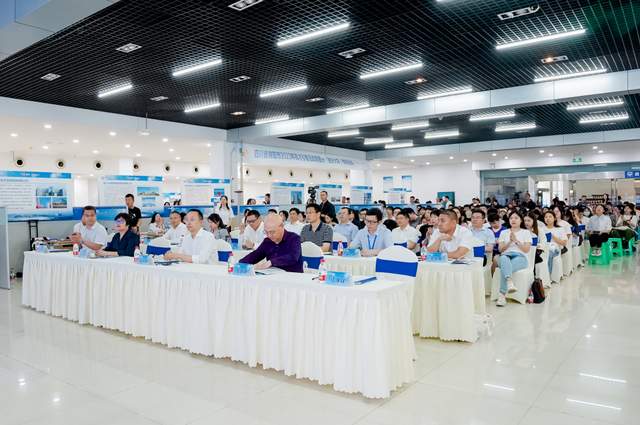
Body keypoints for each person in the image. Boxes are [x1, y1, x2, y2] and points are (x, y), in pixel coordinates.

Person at [495, 211, 532, 307]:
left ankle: (502, 295)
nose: (513, 220)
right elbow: (500, 250)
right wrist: (509, 242)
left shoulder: (526, 232)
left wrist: (515, 241)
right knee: (504, 258)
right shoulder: (504, 232)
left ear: (521, 220)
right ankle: (509, 282)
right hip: (505, 256)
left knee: (505, 267)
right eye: (511, 218)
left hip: (521, 257)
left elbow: (526, 249)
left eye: (516, 218)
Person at [542, 211, 566, 276]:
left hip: (555, 249)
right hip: (543, 249)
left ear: (554, 218)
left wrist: (552, 236)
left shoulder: (560, 229)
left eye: (550, 217)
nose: (548, 218)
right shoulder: (541, 229)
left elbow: (564, 243)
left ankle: (548, 274)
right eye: (546, 217)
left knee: (548, 254)